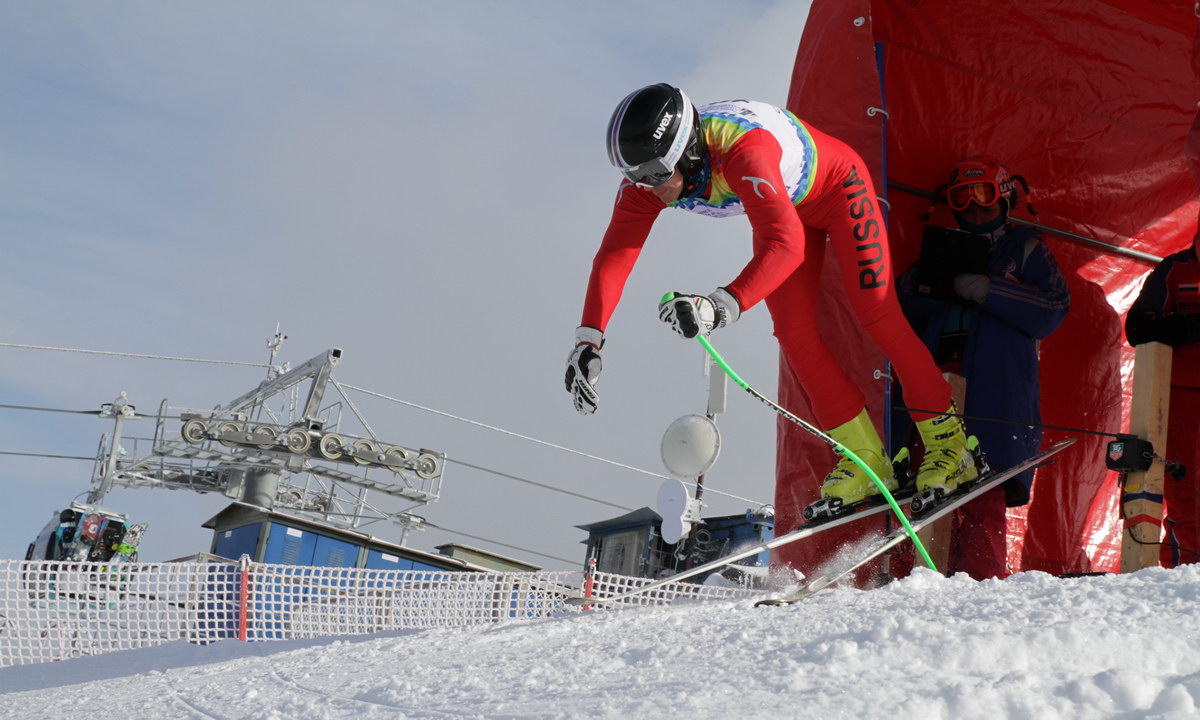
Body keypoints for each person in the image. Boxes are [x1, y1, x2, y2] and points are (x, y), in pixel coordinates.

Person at [564, 83, 980, 514]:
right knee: (793, 334)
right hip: (782, 207)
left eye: (652, 174)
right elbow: (614, 256)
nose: (644, 187)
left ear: (686, 153)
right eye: (632, 175)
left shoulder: (745, 151)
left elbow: (788, 246)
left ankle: (951, 446)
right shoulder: (648, 181)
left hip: (839, 188)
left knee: (876, 313)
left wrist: (717, 306)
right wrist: (587, 341)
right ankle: (865, 459)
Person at [892, 155, 1070, 580]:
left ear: (1005, 197)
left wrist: (992, 291)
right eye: (963, 198)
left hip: (995, 382)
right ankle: (906, 584)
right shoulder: (936, 253)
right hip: (935, 377)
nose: (974, 207)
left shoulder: (1026, 250)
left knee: (981, 484)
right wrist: (938, 292)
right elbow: (896, 311)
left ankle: (982, 586)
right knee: (920, 479)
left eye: (985, 196)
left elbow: (1053, 310)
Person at [1125, 228, 1200, 567]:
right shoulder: (1174, 268)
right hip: (1178, 395)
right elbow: (1138, 330)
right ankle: (1186, 575)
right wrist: (1190, 326)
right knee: (1183, 496)